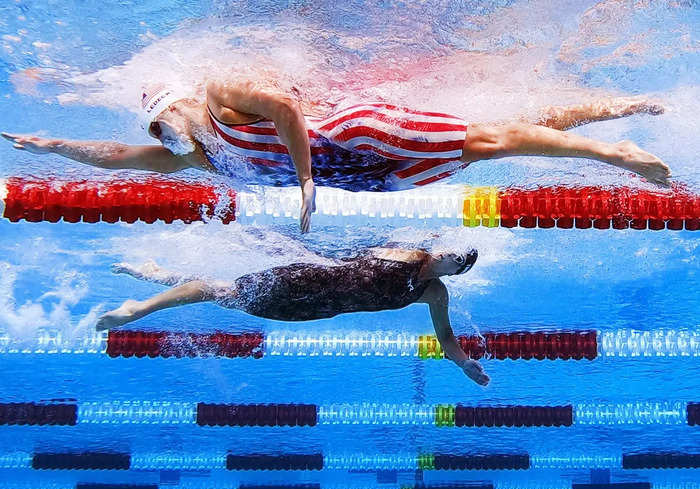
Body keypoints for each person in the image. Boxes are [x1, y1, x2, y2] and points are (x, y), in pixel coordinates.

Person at [2, 81, 670, 232]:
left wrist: (304, 185)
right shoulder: (203, 157)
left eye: (162, 115)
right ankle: (621, 106)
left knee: (493, 142)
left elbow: (288, 110)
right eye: (155, 127)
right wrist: (54, 145)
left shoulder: (214, 97)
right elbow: (121, 157)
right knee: (514, 129)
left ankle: (619, 154)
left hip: (357, 135)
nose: (163, 131)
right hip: (370, 179)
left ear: (177, 100)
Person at [95, 246, 490, 386]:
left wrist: (463, 364)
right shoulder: (406, 253)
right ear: (438, 248)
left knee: (225, 295)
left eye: (455, 262)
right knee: (224, 292)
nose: (447, 258)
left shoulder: (434, 293)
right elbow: (349, 252)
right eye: (448, 252)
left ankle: (155, 274)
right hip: (303, 280)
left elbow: (446, 337)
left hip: (312, 310)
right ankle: (139, 309)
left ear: (455, 272)